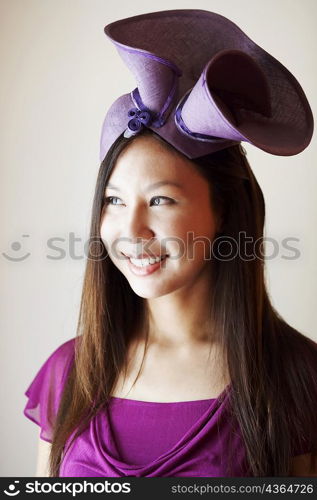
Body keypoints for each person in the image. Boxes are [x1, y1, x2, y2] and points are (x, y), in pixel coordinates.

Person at [23, 9, 317, 477]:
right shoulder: (70, 371)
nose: (131, 229)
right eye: (114, 201)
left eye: (160, 199)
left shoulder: (298, 375)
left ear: (224, 213)